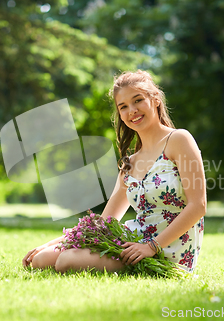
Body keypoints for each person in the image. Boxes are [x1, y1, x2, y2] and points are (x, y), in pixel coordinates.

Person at [22, 70, 207, 273]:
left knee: (66, 261)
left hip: (167, 248)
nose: (132, 111)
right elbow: (105, 221)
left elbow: (198, 205)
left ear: (155, 99)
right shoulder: (131, 162)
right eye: (124, 107)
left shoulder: (179, 140)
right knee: (42, 259)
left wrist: (151, 247)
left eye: (138, 101)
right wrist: (53, 243)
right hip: (134, 239)